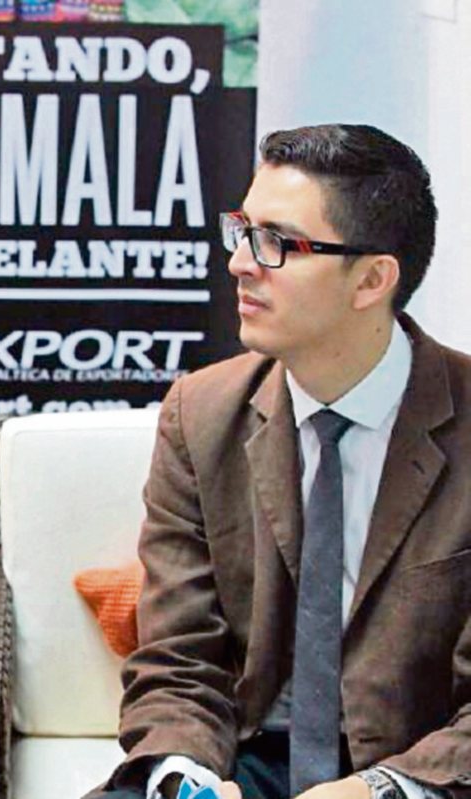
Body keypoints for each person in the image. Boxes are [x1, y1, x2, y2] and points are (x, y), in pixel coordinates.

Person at [94, 124, 471, 799]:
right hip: (245, 759)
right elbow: (180, 660)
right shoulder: (201, 414)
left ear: (372, 279)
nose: (241, 263)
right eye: (243, 231)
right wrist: (185, 775)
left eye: (277, 243)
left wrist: (380, 788)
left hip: (421, 772)